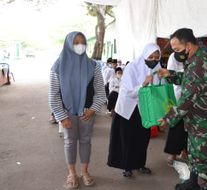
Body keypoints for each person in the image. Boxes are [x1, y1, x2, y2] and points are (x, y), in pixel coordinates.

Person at [158, 28, 207, 190]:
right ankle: (194, 183)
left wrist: (168, 118)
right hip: (199, 119)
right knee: (196, 155)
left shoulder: (198, 64)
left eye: (176, 49)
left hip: (206, 121)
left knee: (203, 159)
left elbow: (187, 98)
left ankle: (206, 186)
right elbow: (191, 81)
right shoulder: (195, 59)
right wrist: (171, 74)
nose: (175, 54)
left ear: (188, 45)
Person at [49, 31, 105, 189]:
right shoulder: (58, 66)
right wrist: (61, 115)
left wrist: (93, 109)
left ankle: (85, 171)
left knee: (86, 140)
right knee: (69, 142)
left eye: (83, 42)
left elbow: (100, 91)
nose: (80, 45)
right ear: (68, 44)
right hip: (67, 113)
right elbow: (53, 94)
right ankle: (72, 173)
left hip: (87, 112)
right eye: (76, 42)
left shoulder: (93, 65)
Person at [107, 43, 162, 178]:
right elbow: (130, 91)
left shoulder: (158, 69)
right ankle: (127, 166)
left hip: (145, 109)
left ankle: (140, 164)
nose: (154, 60)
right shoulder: (132, 66)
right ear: (144, 55)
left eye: (157, 57)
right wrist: (144, 83)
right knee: (127, 138)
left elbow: (158, 91)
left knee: (143, 138)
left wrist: (160, 81)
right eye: (151, 57)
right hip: (129, 109)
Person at [164, 52, 188, 166]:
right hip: (179, 94)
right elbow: (171, 76)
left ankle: (185, 151)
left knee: (190, 127)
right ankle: (172, 154)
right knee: (176, 126)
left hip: (193, 97)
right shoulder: (173, 56)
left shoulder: (195, 53)